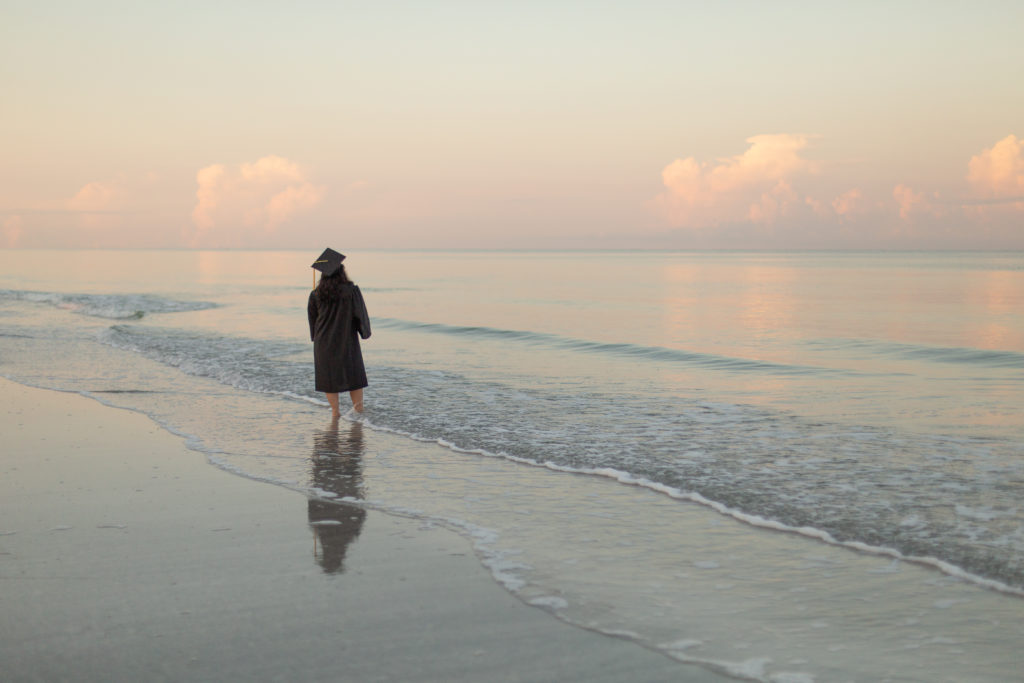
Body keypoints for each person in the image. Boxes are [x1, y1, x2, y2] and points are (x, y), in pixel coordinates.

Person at [308, 248, 371, 417]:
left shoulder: (316, 294)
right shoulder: (351, 291)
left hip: (324, 343)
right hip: (346, 340)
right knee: (354, 377)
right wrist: (364, 332)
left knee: (329, 379)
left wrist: (316, 338)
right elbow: (360, 315)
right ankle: (358, 410)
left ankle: (335, 412)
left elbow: (313, 321)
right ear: (342, 272)